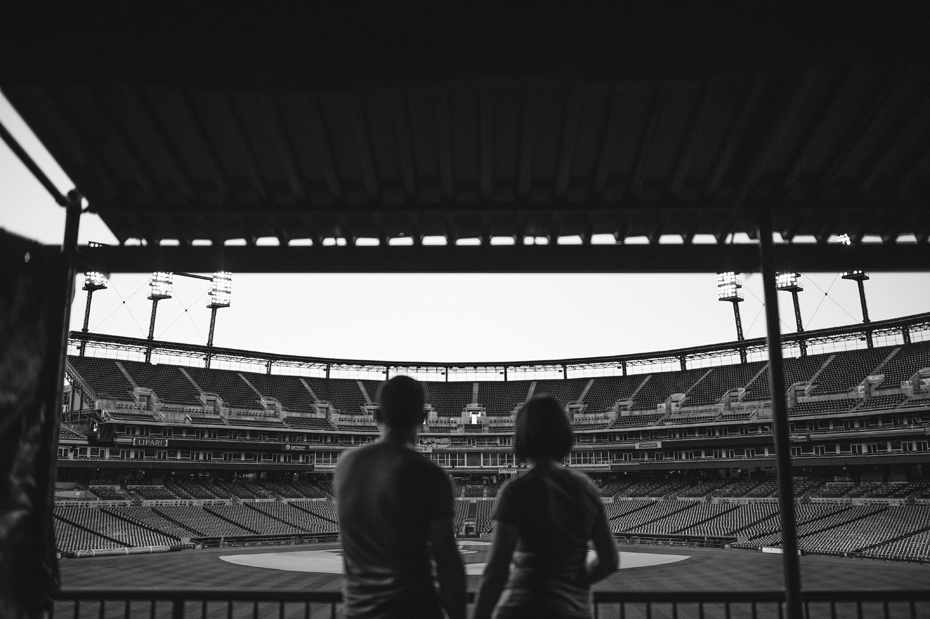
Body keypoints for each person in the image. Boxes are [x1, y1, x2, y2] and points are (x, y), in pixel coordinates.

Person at [472, 396, 618, 619]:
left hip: (523, 607)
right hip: (574, 610)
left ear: (522, 436)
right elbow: (609, 560)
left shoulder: (516, 490)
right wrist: (574, 582)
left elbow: (496, 572)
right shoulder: (585, 488)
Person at [334, 375, 466, 619]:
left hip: (357, 613)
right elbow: (447, 563)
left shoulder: (346, 465)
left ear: (377, 417)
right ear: (422, 418)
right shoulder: (431, 475)